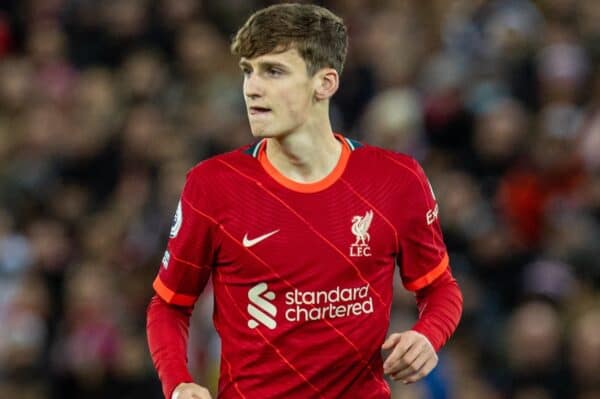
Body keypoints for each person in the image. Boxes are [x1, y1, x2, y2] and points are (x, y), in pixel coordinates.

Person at [146, 4, 463, 399]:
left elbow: (440, 288)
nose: (252, 88)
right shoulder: (213, 185)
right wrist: (178, 382)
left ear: (325, 83)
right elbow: (169, 304)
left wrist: (427, 336)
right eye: (248, 71)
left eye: (273, 71)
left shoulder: (395, 180)